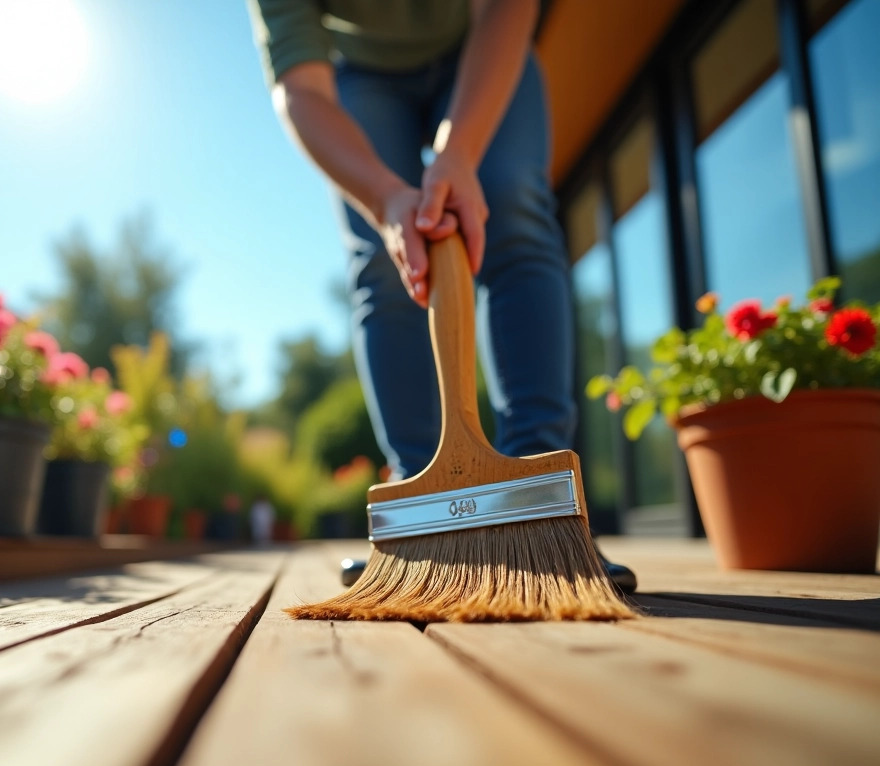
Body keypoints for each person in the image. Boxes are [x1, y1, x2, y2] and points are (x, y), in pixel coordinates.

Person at [246, 0, 636, 591]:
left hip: (479, 41)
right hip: (362, 74)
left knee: (514, 206)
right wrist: (384, 199)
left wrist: (460, 152)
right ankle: (420, 505)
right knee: (383, 257)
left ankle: (540, 496)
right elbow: (302, 90)